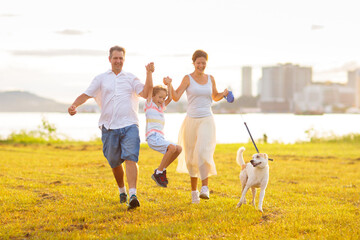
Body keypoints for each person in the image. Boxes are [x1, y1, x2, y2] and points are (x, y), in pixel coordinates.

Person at [68, 46, 154, 210]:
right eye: (115, 58)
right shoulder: (101, 78)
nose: (118, 61)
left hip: (130, 124)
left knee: (131, 158)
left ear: (124, 60)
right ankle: (122, 191)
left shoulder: (130, 78)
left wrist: (149, 74)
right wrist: (74, 105)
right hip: (109, 127)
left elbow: (145, 92)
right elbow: (86, 94)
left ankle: (133, 194)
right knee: (114, 162)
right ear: (110, 59)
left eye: (121, 58)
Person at [167, 49, 229, 203]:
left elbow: (214, 96)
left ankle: (205, 188)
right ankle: (194, 192)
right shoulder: (188, 79)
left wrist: (224, 93)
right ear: (193, 63)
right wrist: (169, 85)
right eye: (198, 63)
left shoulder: (210, 78)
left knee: (203, 152)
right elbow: (175, 97)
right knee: (190, 157)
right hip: (191, 121)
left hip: (207, 119)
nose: (201, 65)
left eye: (203, 63)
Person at [144, 77, 182, 188]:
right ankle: (158, 173)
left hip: (160, 137)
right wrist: (150, 72)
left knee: (178, 149)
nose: (161, 100)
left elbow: (170, 97)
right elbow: (150, 88)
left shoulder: (161, 107)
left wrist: (169, 84)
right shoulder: (149, 104)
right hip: (152, 137)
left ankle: (161, 170)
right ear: (153, 96)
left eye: (163, 98)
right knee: (171, 147)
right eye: (159, 97)